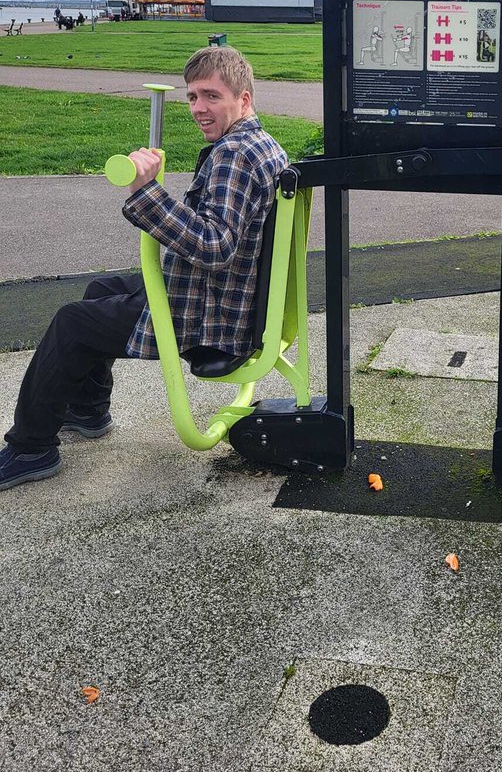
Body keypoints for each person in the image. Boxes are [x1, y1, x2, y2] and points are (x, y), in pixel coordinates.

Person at [0, 46, 288, 490]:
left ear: (244, 99)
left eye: (211, 96)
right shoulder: (258, 143)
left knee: (72, 322)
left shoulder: (236, 155)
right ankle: (88, 412)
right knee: (100, 289)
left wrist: (145, 192)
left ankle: (30, 448)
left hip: (211, 315)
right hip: (232, 294)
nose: (198, 108)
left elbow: (214, 246)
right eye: (192, 97)